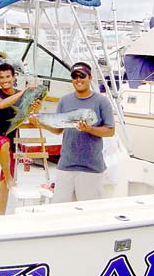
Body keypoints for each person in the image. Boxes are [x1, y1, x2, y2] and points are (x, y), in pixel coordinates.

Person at [31, 62, 115, 203]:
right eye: (74, 76)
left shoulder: (102, 101)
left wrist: (90, 129)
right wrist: (39, 121)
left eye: (82, 76)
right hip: (66, 165)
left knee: (89, 214)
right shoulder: (64, 101)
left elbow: (110, 131)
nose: (78, 79)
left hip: (91, 168)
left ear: (90, 77)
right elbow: (58, 129)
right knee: (60, 209)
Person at [0, 63, 40, 215]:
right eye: (1, 78)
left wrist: (35, 110)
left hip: (11, 144)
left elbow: (31, 118)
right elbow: (2, 104)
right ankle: (10, 177)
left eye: (8, 77)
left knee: (3, 183)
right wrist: (24, 91)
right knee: (3, 144)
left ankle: (0, 217)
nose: (5, 80)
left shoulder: (22, 96)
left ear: (13, 77)